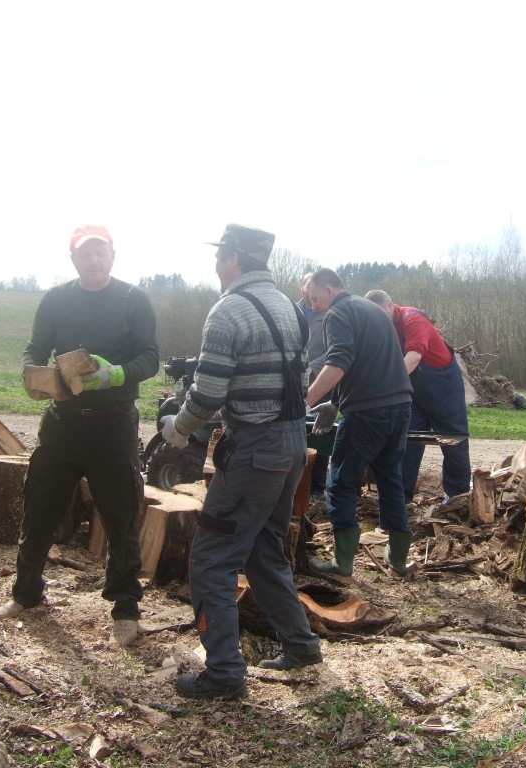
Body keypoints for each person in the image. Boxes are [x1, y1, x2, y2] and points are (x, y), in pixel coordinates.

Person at [160, 223, 322, 701]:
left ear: (234, 259)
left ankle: (226, 674)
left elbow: (208, 394)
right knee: (264, 548)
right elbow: (299, 375)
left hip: (256, 449)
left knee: (211, 558)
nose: (214, 265)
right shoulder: (293, 310)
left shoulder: (228, 311)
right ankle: (301, 645)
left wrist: (179, 429)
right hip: (292, 445)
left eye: (219, 256)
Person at [0, 225, 159, 649]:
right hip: (62, 423)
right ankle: (25, 594)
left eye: (100, 253)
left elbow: (150, 358)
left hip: (114, 424)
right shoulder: (56, 300)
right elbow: (35, 347)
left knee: (121, 518)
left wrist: (114, 375)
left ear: (113, 255)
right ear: (74, 260)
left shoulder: (133, 300)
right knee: (39, 507)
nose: (94, 260)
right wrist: (31, 372)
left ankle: (125, 609)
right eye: (86, 254)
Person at [304, 268, 413, 577]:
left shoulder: (336, 314)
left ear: (328, 289)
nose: (312, 305)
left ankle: (342, 562)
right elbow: (369, 361)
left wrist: (306, 403)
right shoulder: (372, 310)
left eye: (314, 298)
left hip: (368, 412)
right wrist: (336, 403)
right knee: (390, 479)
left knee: (340, 481)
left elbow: (338, 363)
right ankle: (399, 558)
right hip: (401, 405)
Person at [364, 290, 471, 503]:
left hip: (443, 386)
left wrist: (385, 384)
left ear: (388, 305)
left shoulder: (412, 318)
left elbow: (413, 356)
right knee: (408, 439)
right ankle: (400, 497)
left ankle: (458, 496)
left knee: (453, 440)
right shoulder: (383, 326)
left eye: (377, 313)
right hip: (413, 388)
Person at [298, 271, 329, 498]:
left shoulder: (327, 313)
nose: (310, 294)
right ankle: (296, 483)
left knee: (320, 431)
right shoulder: (292, 310)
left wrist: (310, 368)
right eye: (305, 286)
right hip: (294, 381)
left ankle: (317, 486)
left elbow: (332, 352)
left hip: (321, 379)